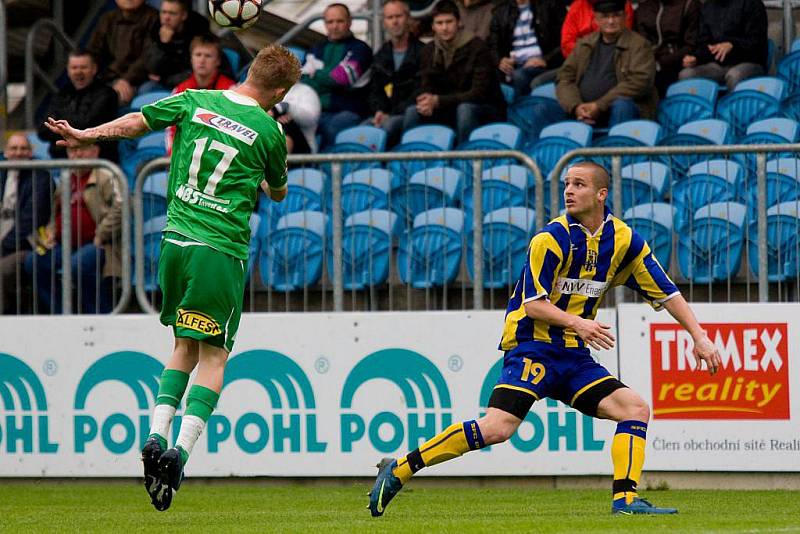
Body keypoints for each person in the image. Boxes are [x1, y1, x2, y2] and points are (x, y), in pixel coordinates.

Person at [368, 160, 722, 516]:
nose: (569, 190)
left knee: (635, 409)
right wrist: (579, 323)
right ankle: (400, 468)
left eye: (579, 184)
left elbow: (667, 292)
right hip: (532, 349)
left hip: (573, 357)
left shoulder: (624, 241)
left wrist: (700, 337)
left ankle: (626, 501)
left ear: (601, 194)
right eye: (567, 184)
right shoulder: (550, 239)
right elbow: (534, 305)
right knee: (498, 428)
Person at [45, 44, 300, 511]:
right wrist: (265, 170)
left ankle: (154, 434)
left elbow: (136, 122)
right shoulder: (268, 131)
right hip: (218, 251)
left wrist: (83, 133)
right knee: (215, 355)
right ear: (279, 91)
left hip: (174, 242)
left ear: (247, 71)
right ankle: (180, 452)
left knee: (182, 346)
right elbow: (279, 192)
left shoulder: (194, 99)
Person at [24, 142, 122, 315]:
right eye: (72, 150)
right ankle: (60, 312)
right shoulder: (66, 178)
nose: (77, 154)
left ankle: (99, 314)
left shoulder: (106, 175)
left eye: (82, 149)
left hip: (98, 245)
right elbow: (57, 211)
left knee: (77, 265)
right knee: (34, 262)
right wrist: (51, 231)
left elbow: (120, 209)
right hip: (64, 244)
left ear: (95, 150)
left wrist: (101, 234)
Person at [403, 0, 506, 144]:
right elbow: (426, 85)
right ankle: (410, 159)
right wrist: (426, 101)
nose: (444, 28)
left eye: (449, 22)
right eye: (439, 23)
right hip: (447, 107)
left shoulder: (478, 48)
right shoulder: (428, 51)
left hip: (483, 108)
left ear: (458, 22)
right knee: (413, 112)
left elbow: (478, 94)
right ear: (433, 26)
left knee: (465, 110)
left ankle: (464, 158)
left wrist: (438, 101)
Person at [556, 0, 657, 127]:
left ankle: (617, 144)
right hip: (584, 110)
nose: (611, 21)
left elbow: (641, 81)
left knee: (622, 105)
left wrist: (599, 105)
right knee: (543, 107)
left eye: (616, 15)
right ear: (596, 20)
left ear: (625, 17)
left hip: (625, 110)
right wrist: (576, 106)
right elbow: (565, 78)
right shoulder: (584, 44)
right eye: (605, 16)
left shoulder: (640, 45)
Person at [302, 3, 373, 149]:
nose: (334, 26)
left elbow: (341, 78)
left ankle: (325, 171)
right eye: (330, 22)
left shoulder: (361, 49)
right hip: (315, 110)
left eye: (339, 21)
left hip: (348, 111)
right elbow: (303, 80)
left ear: (350, 21)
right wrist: (326, 74)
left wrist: (315, 73)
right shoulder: (316, 49)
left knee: (332, 128)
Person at [0, 134, 54, 314]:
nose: (18, 153)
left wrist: (2, 247)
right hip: (4, 245)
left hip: (30, 246)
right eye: (14, 149)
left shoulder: (40, 178)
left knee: (2, 270)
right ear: (5, 153)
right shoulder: (2, 176)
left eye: (23, 149)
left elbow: (29, 222)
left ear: (31, 152)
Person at [37, 50, 120, 160]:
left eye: (83, 67)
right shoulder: (61, 95)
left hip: (98, 163)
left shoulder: (107, 94)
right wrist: (72, 129)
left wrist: (60, 124)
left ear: (94, 69)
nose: (78, 72)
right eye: (74, 68)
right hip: (61, 161)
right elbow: (43, 129)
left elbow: (86, 124)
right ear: (68, 70)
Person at [167, 34, 237, 154]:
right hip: (183, 156)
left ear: (218, 61)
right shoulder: (180, 91)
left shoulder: (231, 91)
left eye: (208, 56)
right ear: (191, 58)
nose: (202, 60)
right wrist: (173, 157)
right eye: (198, 55)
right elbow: (172, 129)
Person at [367, 0, 424, 148]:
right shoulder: (381, 55)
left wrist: (390, 114)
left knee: (388, 127)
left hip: (410, 114)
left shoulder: (423, 52)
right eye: (390, 17)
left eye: (398, 16)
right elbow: (375, 90)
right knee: (361, 131)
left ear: (408, 18)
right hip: (386, 114)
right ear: (384, 22)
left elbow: (421, 90)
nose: (395, 22)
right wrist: (379, 111)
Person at [677, 0, 767, 91]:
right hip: (719, 65)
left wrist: (733, 45)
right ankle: (703, 105)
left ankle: (732, 105)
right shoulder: (707, 7)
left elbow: (757, 41)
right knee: (686, 74)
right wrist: (696, 58)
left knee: (734, 75)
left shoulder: (752, 3)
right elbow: (703, 43)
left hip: (750, 62)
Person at [488, 0, 569, 99]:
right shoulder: (501, 11)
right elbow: (493, 45)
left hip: (544, 64)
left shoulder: (550, 4)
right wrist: (500, 60)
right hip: (514, 66)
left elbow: (566, 40)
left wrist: (546, 59)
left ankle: (521, 110)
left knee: (519, 76)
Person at [87, 0, 159, 105]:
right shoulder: (108, 18)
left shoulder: (154, 18)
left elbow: (148, 55)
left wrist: (126, 80)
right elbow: (93, 51)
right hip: (108, 77)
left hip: (140, 79)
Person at [635, 0, 700, 97]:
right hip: (648, 62)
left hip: (675, 62)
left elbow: (691, 44)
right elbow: (640, 40)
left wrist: (661, 63)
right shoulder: (643, 8)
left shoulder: (688, 5)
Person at [144, 0, 211, 90]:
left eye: (172, 13)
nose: (166, 17)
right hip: (163, 82)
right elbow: (151, 68)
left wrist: (164, 79)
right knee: (146, 89)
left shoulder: (198, 30)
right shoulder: (156, 27)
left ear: (183, 15)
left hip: (189, 82)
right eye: (163, 12)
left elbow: (196, 70)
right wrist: (163, 44)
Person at [561, 0, 634, 59]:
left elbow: (620, 40)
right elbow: (566, 45)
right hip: (580, 62)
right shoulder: (577, 6)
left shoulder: (621, 5)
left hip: (615, 62)